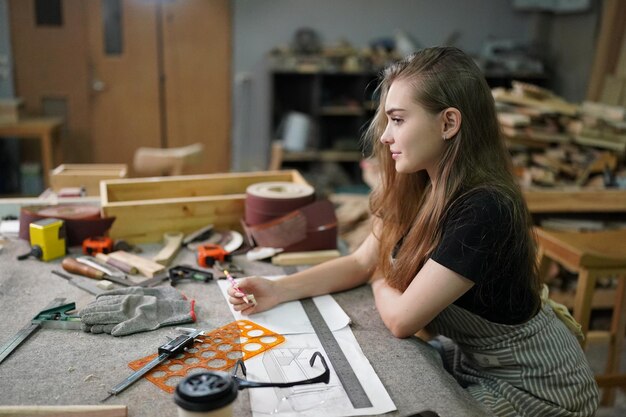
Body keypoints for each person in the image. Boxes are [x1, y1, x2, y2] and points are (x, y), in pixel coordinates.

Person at [228, 46, 598, 416]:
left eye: (399, 120)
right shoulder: (421, 185)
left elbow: (402, 319)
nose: (386, 137)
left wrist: (379, 280)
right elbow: (359, 263)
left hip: (537, 387)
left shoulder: (485, 208)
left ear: (449, 123)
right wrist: (277, 289)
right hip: (478, 365)